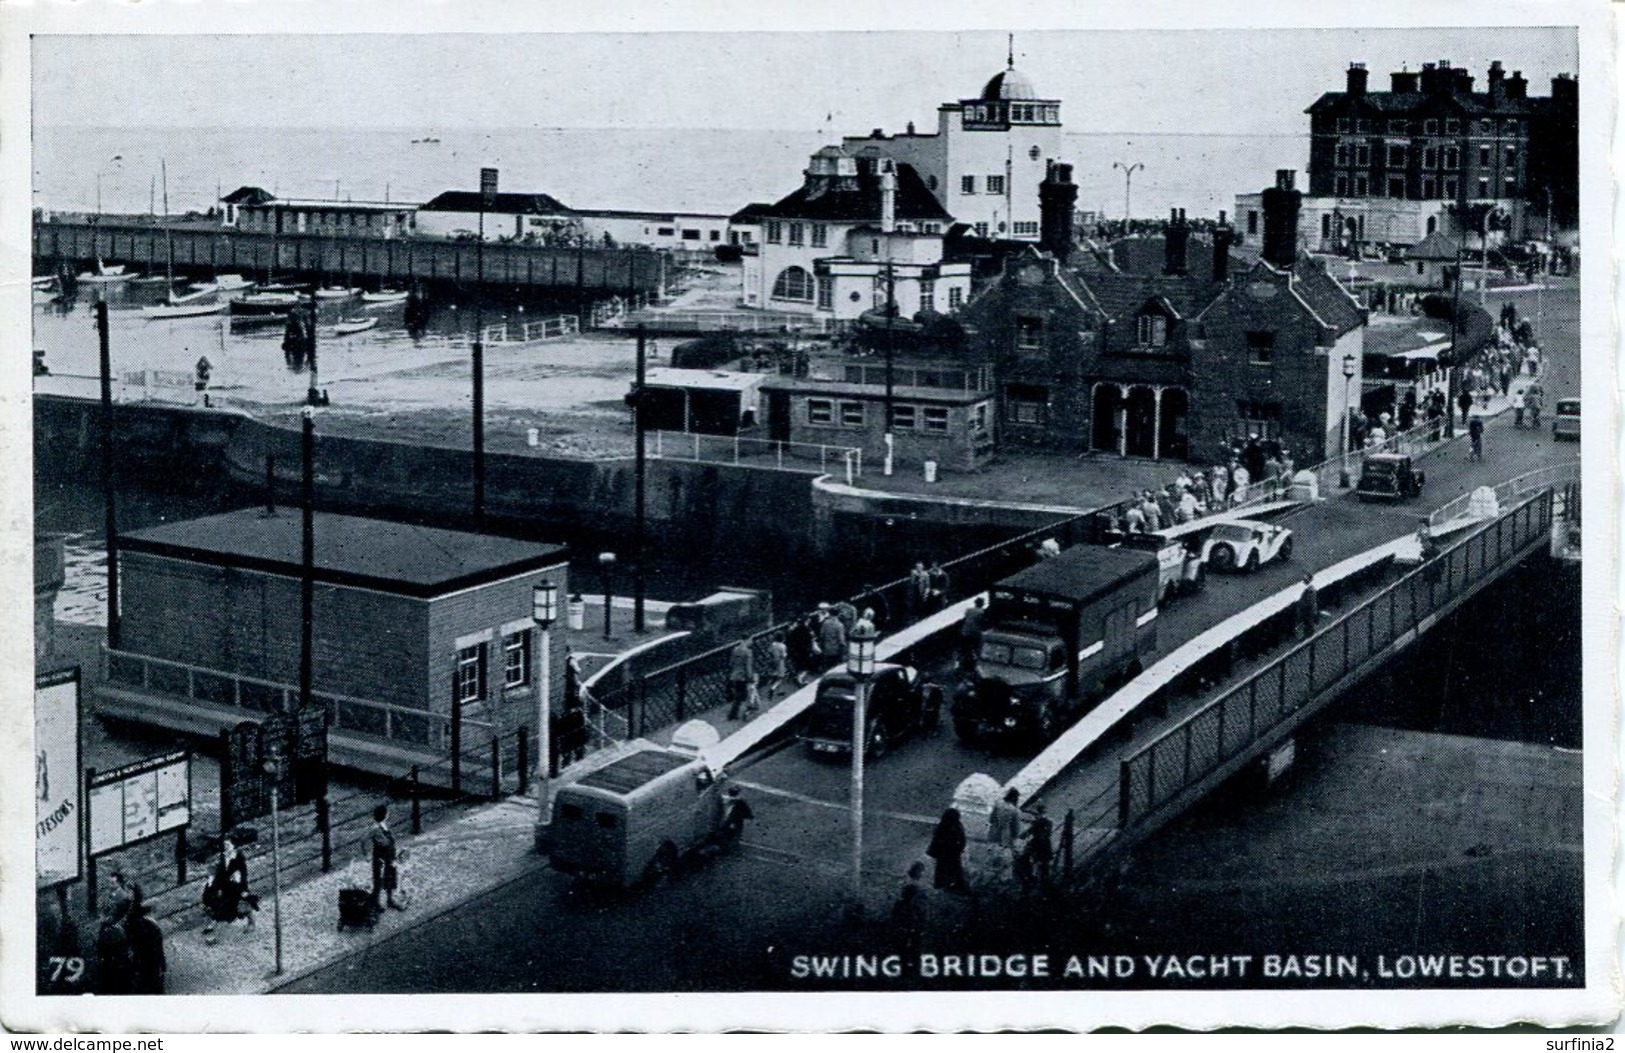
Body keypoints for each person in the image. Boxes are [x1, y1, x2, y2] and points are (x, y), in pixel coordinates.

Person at [202, 837, 253, 942]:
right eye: (224, 845)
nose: (226, 847)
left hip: (237, 886)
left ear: (233, 846)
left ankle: (251, 921)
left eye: (228, 845)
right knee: (213, 899)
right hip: (225, 886)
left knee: (238, 905)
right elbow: (221, 873)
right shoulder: (223, 856)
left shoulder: (238, 857)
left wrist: (243, 888)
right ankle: (211, 926)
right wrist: (212, 883)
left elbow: (243, 874)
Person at [125, 901, 167, 995]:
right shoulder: (152, 927)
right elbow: (158, 949)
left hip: (141, 963)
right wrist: (162, 966)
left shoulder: (135, 925)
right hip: (151, 964)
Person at [93, 901, 133, 996]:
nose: (99, 918)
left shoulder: (109, 931)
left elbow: (101, 949)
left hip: (112, 967)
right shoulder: (118, 929)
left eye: (101, 916)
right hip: (121, 965)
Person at [370, 804, 404, 912]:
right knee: (378, 880)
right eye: (387, 812)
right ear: (385, 815)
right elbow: (364, 839)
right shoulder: (375, 828)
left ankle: (389, 900)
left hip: (389, 856)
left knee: (390, 877)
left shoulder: (383, 825)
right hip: (381, 858)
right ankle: (376, 903)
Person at [926, 808, 969, 893]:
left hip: (945, 853)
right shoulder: (957, 826)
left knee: (943, 869)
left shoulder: (944, 825)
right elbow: (962, 841)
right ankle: (955, 885)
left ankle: (942, 884)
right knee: (953, 869)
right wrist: (958, 849)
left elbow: (936, 839)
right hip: (951, 853)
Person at [891, 861, 929, 957]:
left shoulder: (913, 885)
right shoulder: (912, 886)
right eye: (921, 871)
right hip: (910, 922)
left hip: (912, 922)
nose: (922, 874)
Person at [1019, 803, 1054, 897]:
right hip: (1045, 845)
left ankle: (1031, 882)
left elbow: (1027, 833)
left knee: (1025, 859)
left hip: (1038, 845)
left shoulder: (1038, 822)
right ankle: (1043, 885)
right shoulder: (1048, 822)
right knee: (1043, 866)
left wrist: (1022, 835)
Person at [989, 787, 1022, 878]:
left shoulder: (997, 804)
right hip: (1005, 838)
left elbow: (991, 819)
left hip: (993, 834)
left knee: (993, 857)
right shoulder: (1015, 810)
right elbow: (1016, 829)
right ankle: (1001, 879)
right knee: (1004, 860)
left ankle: (991, 877)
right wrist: (1015, 838)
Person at [726, 637, 756, 721]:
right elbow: (748, 666)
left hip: (735, 675)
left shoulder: (735, 650)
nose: (751, 642)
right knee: (746, 695)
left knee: (739, 694)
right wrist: (750, 677)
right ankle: (745, 713)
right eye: (750, 640)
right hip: (743, 676)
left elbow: (731, 662)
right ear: (747, 640)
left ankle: (733, 714)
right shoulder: (748, 652)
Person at [959, 597, 986, 670]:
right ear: (982, 604)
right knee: (975, 648)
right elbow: (982, 622)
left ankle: (962, 664)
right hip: (975, 633)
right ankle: (972, 665)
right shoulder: (982, 612)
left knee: (965, 649)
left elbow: (965, 619)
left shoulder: (968, 610)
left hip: (965, 631)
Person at [762, 631, 789, 702]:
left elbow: (769, 652)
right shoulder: (782, 646)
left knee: (776, 676)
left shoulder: (773, 645)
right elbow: (783, 655)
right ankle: (772, 689)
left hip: (772, 661)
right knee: (780, 677)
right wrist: (786, 655)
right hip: (780, 662)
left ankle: (780, 691)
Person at [1296, 573, 1319, 639]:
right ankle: (1309, 636)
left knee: (1309, 624)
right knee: (1308, 624)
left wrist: (1302, 607)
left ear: (1309, 580)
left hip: (1308, 610)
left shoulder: (1310, 590)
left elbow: (1310, 602)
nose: (1304, 580)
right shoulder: (1308, 588)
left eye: (1305, 579)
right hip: (1308, 609)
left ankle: (1310, 638)